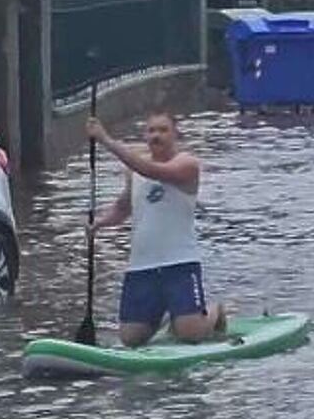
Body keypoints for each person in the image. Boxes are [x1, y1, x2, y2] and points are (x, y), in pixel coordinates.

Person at [86, 110, 225, 348]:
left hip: (180, 263)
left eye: (163, 130)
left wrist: (106, 140)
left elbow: (153, 172)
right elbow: (124, 206)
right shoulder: (133, 171)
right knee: (131, 339)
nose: (156, 136)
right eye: (151, 131)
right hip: (142, 266)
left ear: (175, 135)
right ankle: (169, 316)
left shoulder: (187, 165)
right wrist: (99, 223)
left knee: (190, 333)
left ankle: (214, 312)